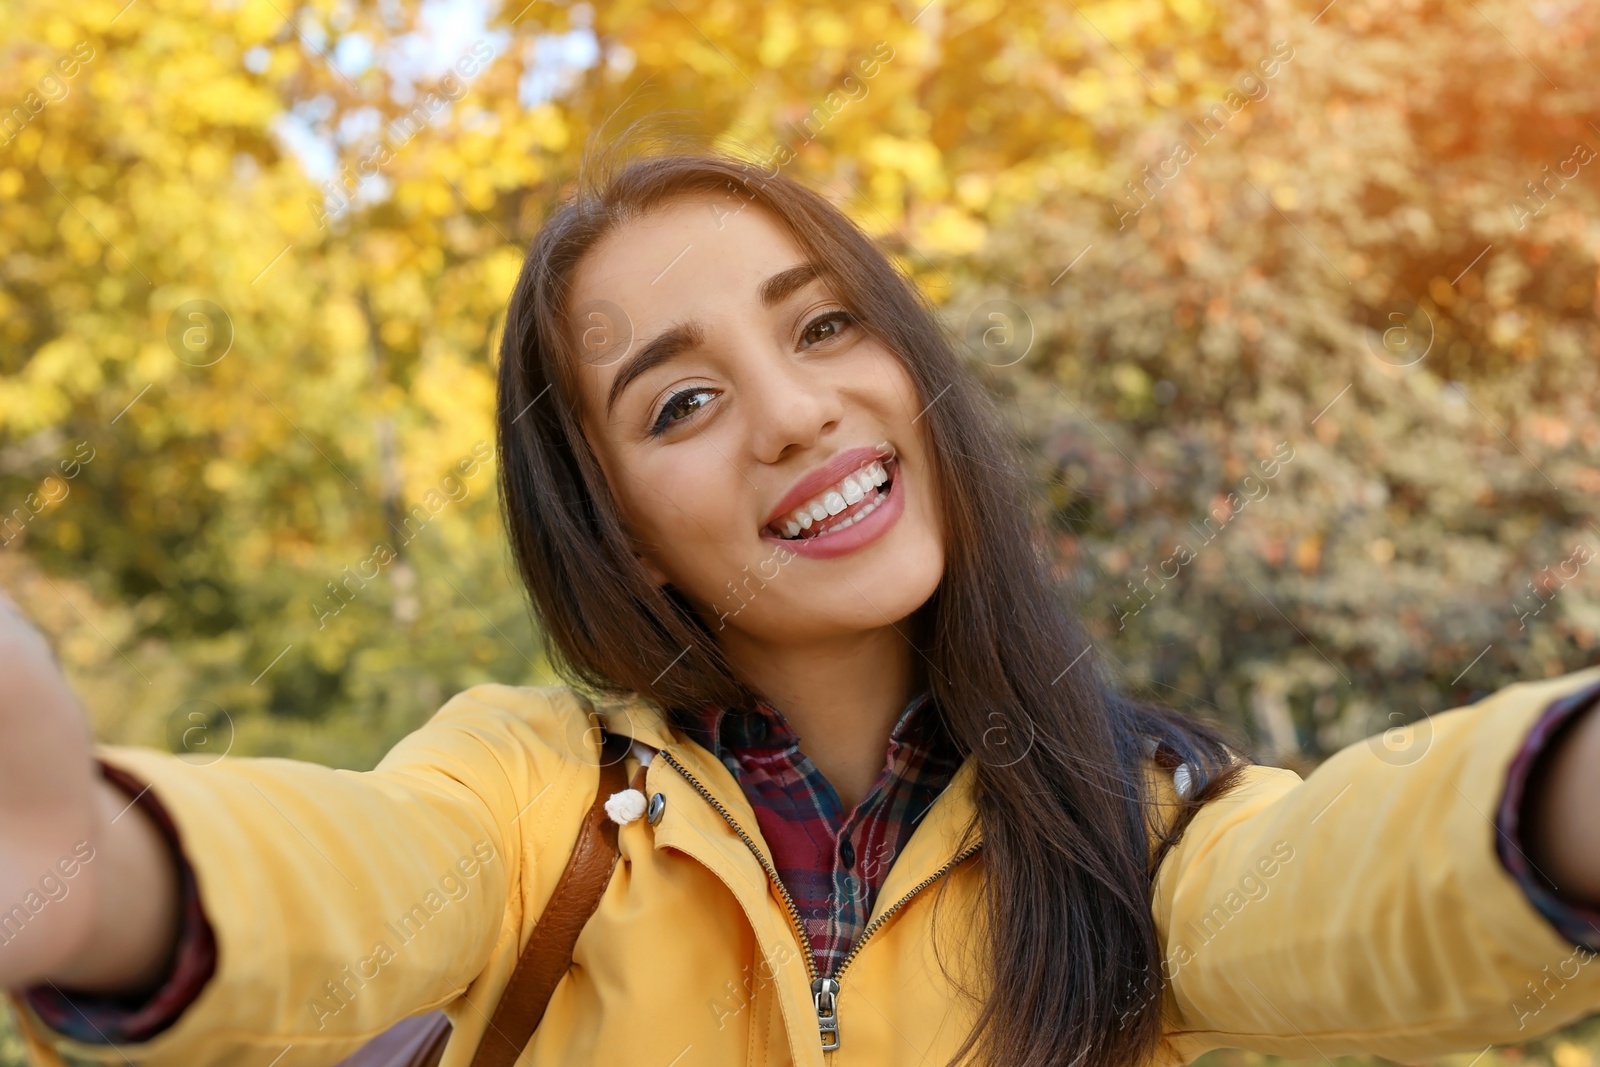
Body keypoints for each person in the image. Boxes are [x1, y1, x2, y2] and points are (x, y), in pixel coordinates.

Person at [2, 151, 1599, 1067]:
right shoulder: (526, 800)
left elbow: (1362, 886)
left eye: (826, 325)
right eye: (680, 403)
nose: (795, 412)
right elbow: (340, 882)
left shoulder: (1144, 818)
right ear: (618, 534)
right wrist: (83, 870)